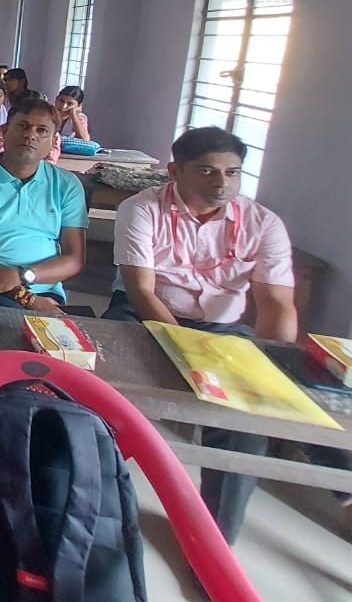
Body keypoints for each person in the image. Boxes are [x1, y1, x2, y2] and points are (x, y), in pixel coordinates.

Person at [106, 127, 297, 544]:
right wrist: (185, 354)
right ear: (174, 171)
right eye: (207, 171)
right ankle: (90, 494)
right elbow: (141, 291)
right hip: (146, 314)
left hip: (222, 329)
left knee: (243, 414)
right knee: (106, 385)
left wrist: (270, 365)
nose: (221, 183)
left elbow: (277, 305)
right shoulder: (143, 209)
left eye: (232, 173)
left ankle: (212, 538)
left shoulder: (263, 224)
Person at [0, 98, 87, 312]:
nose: (30, 135)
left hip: (44, 287)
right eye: (22, 126)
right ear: (4, 132)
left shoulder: (66, 184)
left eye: (42, 130)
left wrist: (22, 276)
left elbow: (74, 259)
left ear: (53, 141)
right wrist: (28, 300)